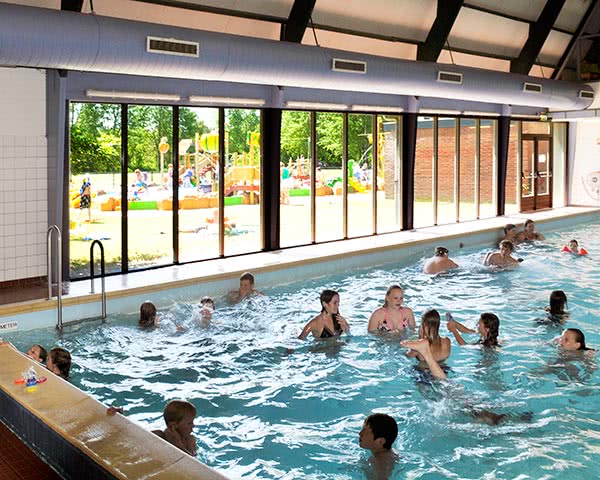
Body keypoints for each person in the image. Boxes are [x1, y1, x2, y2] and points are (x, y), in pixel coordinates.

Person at [359, 413, 398, 479]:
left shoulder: (381, 461)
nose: (360, 433)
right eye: (362, 428)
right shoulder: (387, 452)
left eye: (366, 431)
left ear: (380, 441)